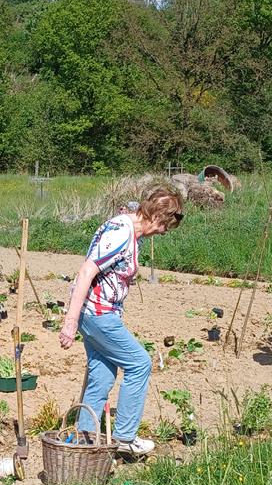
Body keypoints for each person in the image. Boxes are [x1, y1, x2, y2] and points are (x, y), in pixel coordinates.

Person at [58, 186, 185, 456]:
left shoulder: (130, 233)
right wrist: (70, 320)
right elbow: (86, 271)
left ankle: (84, 443)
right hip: (97, 314)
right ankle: (125, 437)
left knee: (102, 377)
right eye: (164, 226)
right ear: (157, 217)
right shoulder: (121, 231)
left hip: (97, 314)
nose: (163, 232)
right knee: (140, 363)